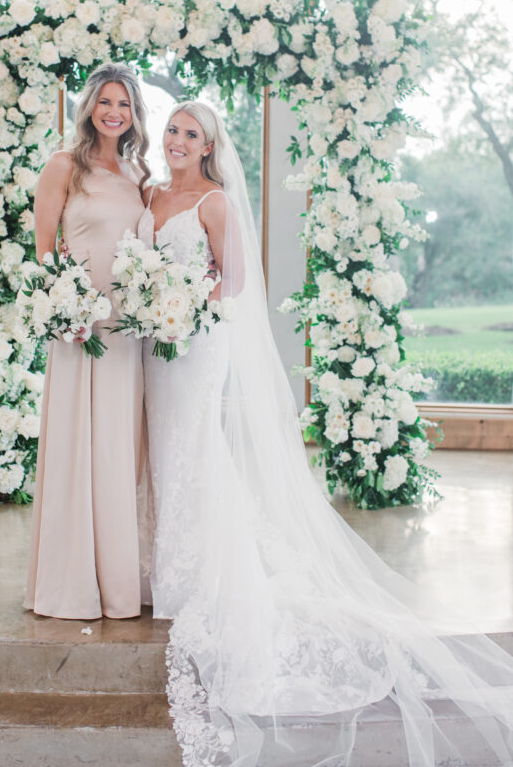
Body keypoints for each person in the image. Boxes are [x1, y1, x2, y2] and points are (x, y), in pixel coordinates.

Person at [139, 100, 513, 767]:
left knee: (192, 447)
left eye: (190, 134)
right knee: (157, 449)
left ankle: (191, 570)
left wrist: (180, 301)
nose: (176, 141)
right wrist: (149, 298)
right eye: (171, 129)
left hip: (193, 345)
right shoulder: (151, 192)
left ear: (208, 146)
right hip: (150, 343)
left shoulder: (214, 203)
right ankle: (148, 557)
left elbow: (234, 286)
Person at [24, 62, 150, 620]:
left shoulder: (139, 173)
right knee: (79, 442)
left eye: (124, 104)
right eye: (106, 102)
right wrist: (65, 307)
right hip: (80, 327)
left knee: (120, 444)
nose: (114, 112)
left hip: (126, 328)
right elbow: (44, 251)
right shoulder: (62, 167)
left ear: (134, 113)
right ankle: (71, 582)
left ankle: (124, 579)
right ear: (90, 106)